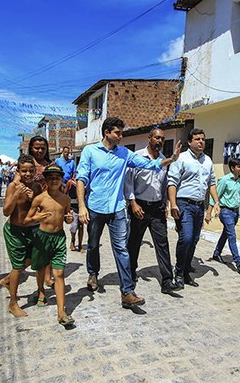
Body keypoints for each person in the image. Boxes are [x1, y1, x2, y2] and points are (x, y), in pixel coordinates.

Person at [76, 117, 181, 309]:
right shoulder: (89, 151)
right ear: (106, 132)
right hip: (95, 207)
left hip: (116, 209)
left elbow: (150, 164)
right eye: (118, 132)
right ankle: (93, 272)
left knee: (122, 249)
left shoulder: (125, 153)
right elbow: (81, 179)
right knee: (92, 245)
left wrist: (171, 159)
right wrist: (82, 206)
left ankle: (127, 291)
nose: (121, 136)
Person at [125, 129, 180, 294]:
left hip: (157, 209)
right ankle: (130, 272)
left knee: (162, 243)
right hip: (139, 207)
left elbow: (163, 185)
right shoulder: (137, 157)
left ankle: (167, 280)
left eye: (162, 139)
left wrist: (166, 204)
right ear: (149, 139)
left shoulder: (164, 160)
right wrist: (133, 203)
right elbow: (128, 183)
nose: (160, 141)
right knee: (134, 243)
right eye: (157, 137)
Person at [168, 128, 220, 288]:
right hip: (184, 204)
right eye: (197, 139)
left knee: (195, 240)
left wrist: (216, 202)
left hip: (199, 206)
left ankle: (185, 272)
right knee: (186, 238)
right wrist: (173, 204)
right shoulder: (181, 158)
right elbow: (172, 182)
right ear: (189, 142)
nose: (201, 142)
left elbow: (211, 182)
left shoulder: (208, 161)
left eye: (203, 139)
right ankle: (178, 271)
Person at [24, 164, 74, 327]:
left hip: (59, 238)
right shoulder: (40, 199)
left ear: (61, 180)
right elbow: (27, 219)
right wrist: (38, 216)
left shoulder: (65, 199)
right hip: (42, 237)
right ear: (45, 180)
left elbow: (67, 216)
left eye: (57, 178)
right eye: (50, 177)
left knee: (59, 274)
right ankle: (41, 291)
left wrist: (69, 219)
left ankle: (61, 312)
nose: (54, 180)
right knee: (40, 268)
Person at [2, 155, 42, 317]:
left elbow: (41, 210)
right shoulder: (13, 186)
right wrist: (15, 195)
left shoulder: (37, 187)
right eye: (24, 171)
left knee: (35, 259)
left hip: (33, 229)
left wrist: (34, 199)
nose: (27, 174)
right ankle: (13, 302)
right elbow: (6, 211)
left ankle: (8, 280)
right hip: (15, 231)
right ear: (18, 171)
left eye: (30, 171)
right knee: (18, 267)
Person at [206, 157, 240, 273]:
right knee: (232, 235)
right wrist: (209, 212)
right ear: (232, 168)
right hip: (225, 211)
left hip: (235, 213)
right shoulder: (224, 180)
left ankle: (216, 253)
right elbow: (215, 196)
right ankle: (238, 262)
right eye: (239, 166)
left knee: (226, 233)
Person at [27, 136, 53, 287]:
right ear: (31, 148)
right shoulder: (27, 165)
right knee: (30, 246)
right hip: (29, 210)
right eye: (37, 148)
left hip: (46, 209)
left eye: (43, 148)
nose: (40, 151)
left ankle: (47, 276)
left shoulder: (50, 165)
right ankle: (15, 274)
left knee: (47, 244)